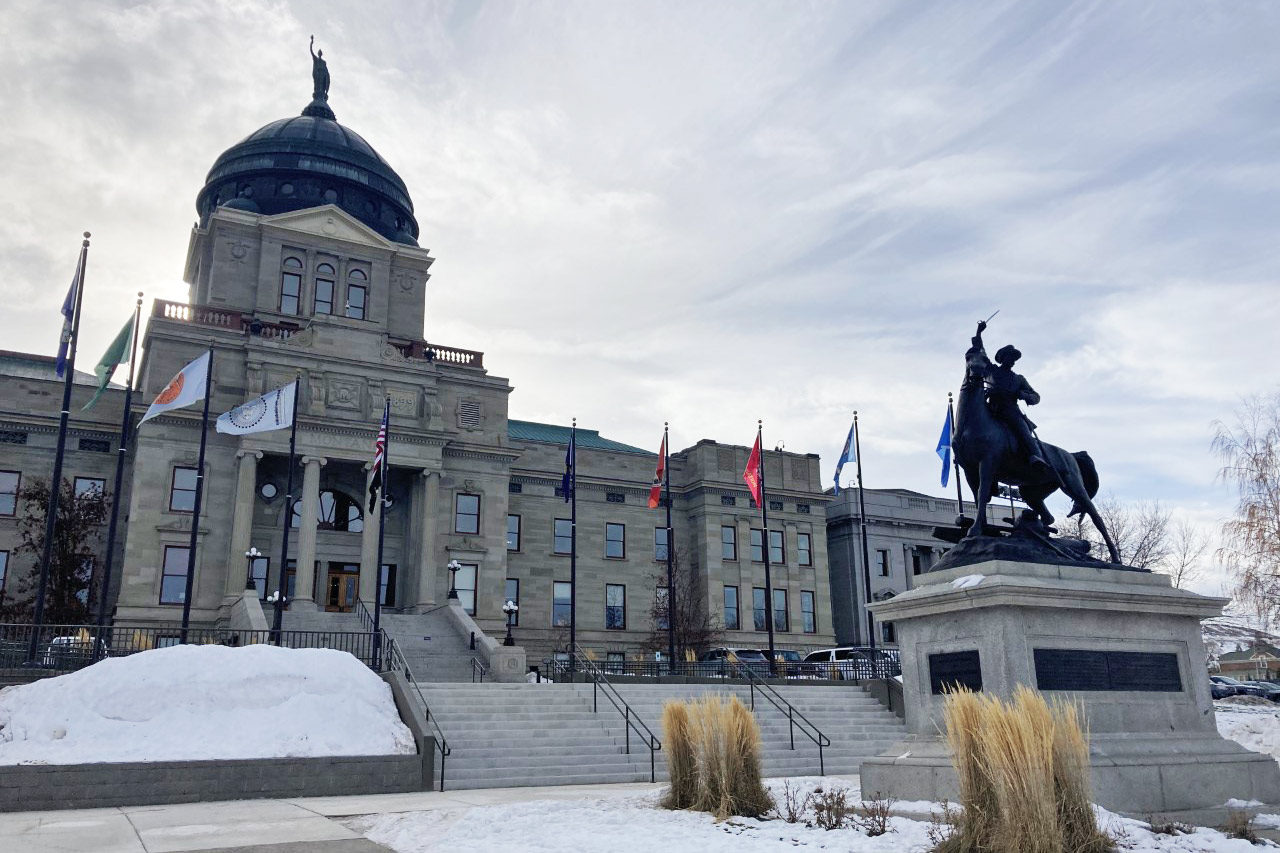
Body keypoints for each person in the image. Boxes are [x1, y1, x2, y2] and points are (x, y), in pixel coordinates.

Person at [971, 320, 1048, 472]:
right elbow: (980, 350)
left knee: (1022, 430)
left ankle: (1036, 456)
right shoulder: (992, 370)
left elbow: (1036, 397)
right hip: (990, 408)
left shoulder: (1019, 379)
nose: (1012, 360)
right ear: (1003, 357)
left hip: (1011, 410)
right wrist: (979, 332)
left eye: (1014, 358)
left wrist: (1023, 394)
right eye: (1010, 357)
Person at [310, 36, 330, 100]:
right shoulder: (316, 59)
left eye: (321, 52)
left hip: (322, 74)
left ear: (321, 54)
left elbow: (326, 71)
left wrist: (326, 76)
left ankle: (322, 92)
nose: (320, 53)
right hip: (317, 73)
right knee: (317, 84)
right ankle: (318, 93)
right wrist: (311, 43)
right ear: (318, 53)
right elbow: (311, 52)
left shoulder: (324, 62)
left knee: (322, 84)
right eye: (319, 52)